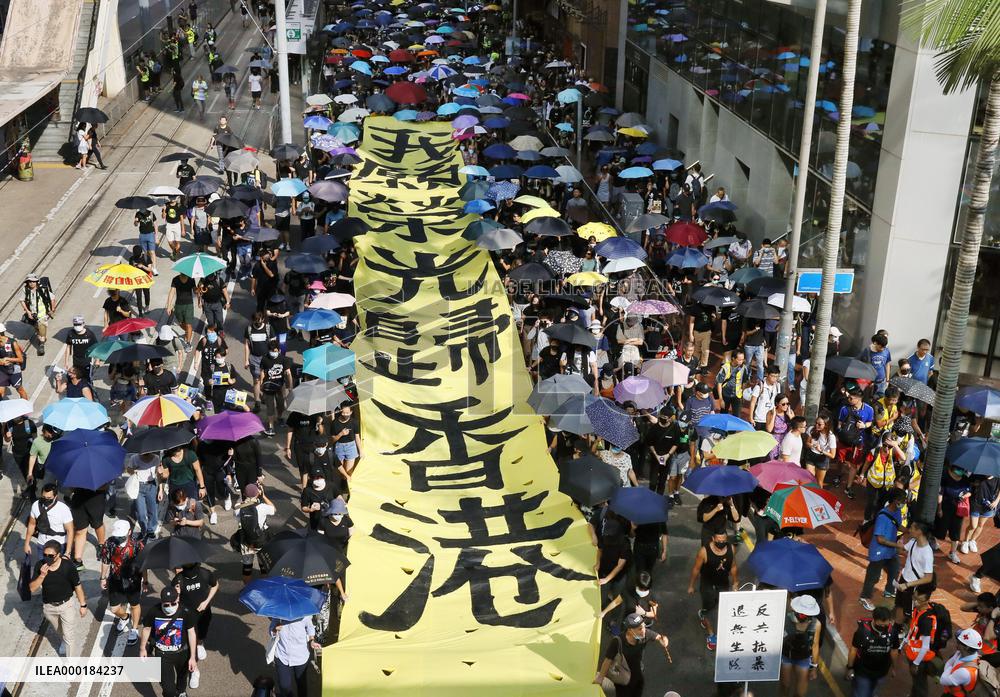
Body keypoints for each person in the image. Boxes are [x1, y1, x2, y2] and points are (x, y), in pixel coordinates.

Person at [28, 540, 87, 657]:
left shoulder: (68, 566)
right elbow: (32, 588)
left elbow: (77, 586)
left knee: (69, 635)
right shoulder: (41, 566)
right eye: (45, 555)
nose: (47, 558)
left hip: (67, 605)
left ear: (58, 555)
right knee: (60, 631)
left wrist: (83, 605)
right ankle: (64, 641)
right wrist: (42, 575)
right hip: (49, 607)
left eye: (50, 556)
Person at [140, 585, 199, 697]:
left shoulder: (186, 612)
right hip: (162, 654)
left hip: (182, 652)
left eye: (173, 603)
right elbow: (146, 629)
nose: (170, 606)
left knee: (182, 677)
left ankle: (181, 691)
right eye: (166, 604)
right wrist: (142, 648)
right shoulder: (154, 611)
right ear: (161, 602)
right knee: (168, 690)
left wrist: (192, 657)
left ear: (177, 599)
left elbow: (191, 633)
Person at [593, 612, 670, 697]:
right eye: (640, 629)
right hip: (621, 668)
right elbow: (608, 660)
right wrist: (600, 677)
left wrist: (663, 640)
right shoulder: (618, 641)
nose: (644, 630)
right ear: (630, 630)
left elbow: (659, 637)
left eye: (644, 626)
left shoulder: (645, 634)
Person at [171, 562, 218, 689]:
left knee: (202, 633)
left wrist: (207, 601)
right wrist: (178, 593)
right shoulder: (178, 579)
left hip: (204, 612)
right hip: (187, 617)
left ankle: (200, 643)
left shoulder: (204, 573)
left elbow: (215, 585)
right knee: (190, 645)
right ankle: (195, 671)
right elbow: (173, 601)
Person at [687, 529, 737, 651]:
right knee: (709, 610)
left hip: (723, 584)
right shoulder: (704, 552)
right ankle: (711, 634)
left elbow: (733, 566)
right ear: (713, 539)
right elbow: (696, 569)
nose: (721, 543)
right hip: (708, 585)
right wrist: (691, 585)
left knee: (723, 609)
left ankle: (704, 617)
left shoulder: (731, 549)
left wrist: (735, 582)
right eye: (719, 541)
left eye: (724, 541)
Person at [99, 518, 145, 645]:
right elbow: (105, 561)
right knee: (114, 609)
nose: (118, 538)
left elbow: (143, 565)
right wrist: (103, 577)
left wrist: (145, 581)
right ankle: (125, 617)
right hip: (116, 579)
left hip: (133, 580)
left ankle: (134, 629)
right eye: (117, 536)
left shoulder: (137, 545)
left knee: (135, 605)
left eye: (122, 536)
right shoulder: (109, 543)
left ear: (129, 532)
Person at [859, 488, 907, 612]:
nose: (904, 503)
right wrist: (897, 546)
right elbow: (880, 539)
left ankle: (889, 591)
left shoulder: (897, 511)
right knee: (873, 576)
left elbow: (897, 525)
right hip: (879, 552)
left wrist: (908, 531)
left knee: (894, 569)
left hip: (890, 551)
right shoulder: (882, 517)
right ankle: (865, 597)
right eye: (902, 500)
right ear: (895, 500)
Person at [846, 605, 897, 697]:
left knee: (874, 693)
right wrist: (850, 668)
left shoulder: (892, 632)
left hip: (882, 672)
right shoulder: (862, 632)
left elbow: (894, 651)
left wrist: (894, 667)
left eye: (886, 625)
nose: (883, 628)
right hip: (863, 672)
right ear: (874, 620)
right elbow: (853, 650)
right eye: (881, 625)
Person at [268, 615, 321, 697]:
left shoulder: (304, 613)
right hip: (282, 655)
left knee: (301, 684)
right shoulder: (279, 615)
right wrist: (275, 629)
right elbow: (271, 630)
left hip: (300, 656)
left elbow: (310, 627)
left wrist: (312, 641)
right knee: (284, 686)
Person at [780, 595, 822, 697]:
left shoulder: (816, 624)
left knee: (800, 693)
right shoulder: (786, 619)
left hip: (803, 658)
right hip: (787, 656)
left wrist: (814, 667)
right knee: (785, 685)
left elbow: (815, 645)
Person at [895, 520, 936, 624]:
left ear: (919, 532)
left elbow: (928, 578)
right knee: (899, 604)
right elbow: (903, 551)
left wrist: (907, 585)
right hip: (904, 578)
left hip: (912, 585)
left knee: (910, 611)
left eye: (912, 527)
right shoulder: (913, 542)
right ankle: (897, 627)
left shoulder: (927, 553)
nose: (910, 529)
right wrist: (899, 545)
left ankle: (909, 630)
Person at [235, 483, 275, 583]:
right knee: (263, 566)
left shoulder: (238, 507)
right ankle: (262, 588)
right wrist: (264, 496)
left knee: (247, 568)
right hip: (261, 540)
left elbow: (237, 516)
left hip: (246, 541)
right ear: (257, 493)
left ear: (244, 493)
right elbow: (273, 509)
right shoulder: (262, 507)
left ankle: (247, 590)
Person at [23, 483, 74, 559]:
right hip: (42, 544)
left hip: (59, 545)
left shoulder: (64, 509)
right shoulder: (36, 505)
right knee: (43, 568)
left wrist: (68, 552)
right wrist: (27, 543)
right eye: (44, 497)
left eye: (49, 498)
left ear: (55, 496)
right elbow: (31, 524)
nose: (46, 500)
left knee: (57, 570)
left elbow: (70, 530)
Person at [257, 340, 293, 436]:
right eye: (271, 350)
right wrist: (261, 384)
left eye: (275, 350)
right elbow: (262, 372)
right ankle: (271, 427)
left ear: (279, 350)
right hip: (268, 387)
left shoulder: (284, 359)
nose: (273, 352)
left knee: (281, 405)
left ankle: (279, 417)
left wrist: (290, 387)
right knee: (270, 407)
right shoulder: (264, 359)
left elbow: (288, 373)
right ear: (268, 350)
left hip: (280, 387)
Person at [940, 628, 984, 695]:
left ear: (966, 647)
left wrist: (950, 667)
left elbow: (943, 680)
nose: (956, 643)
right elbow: (949, 662)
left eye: (959, 642)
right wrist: (950, 670)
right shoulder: (961, 653)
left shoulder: (965, 672)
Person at [21, 273, 55, 356]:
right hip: (33, 315)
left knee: (42, 334)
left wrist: (52, 309)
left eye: (33, 281)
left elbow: (52, 299)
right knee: (38, 330)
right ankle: (41, 336)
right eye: (29, 281)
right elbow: (22, 300)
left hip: (42, 315)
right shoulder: (26, 290)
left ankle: (41, 346)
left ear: (36, 282)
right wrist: (28, 312)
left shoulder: (43, 290)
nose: (31, 283)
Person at [803, 411, 837, 489]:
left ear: (826, 425)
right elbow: (807, 443)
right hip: (811, 456)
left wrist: (821, 450)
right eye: (816, 423)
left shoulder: (831, 437)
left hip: (822, 459)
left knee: (819, 482)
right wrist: (810, 445)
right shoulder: (812, 429)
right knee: (809, 479)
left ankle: (818, 497)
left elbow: (833, 455)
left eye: (819, 424)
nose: (816, 425)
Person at [63, 315, 97, 380]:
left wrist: (97, 360)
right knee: (74, 379)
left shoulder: (89, 334)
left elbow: (95, 347)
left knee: (87, 380)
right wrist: (66, 362)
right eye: (75, 324)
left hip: (87, 362)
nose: (77, 326)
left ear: (83, 324)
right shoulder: (71, 334)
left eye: (79, 324)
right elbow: (68, 347)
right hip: (76, 362)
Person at [0, 322, 28, 399]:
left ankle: (26, 407)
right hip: (2, 371)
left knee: (20, 390)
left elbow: (21, 359)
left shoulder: (12, 343)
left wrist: (7, 359)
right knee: (0, 392)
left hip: (14, 370)